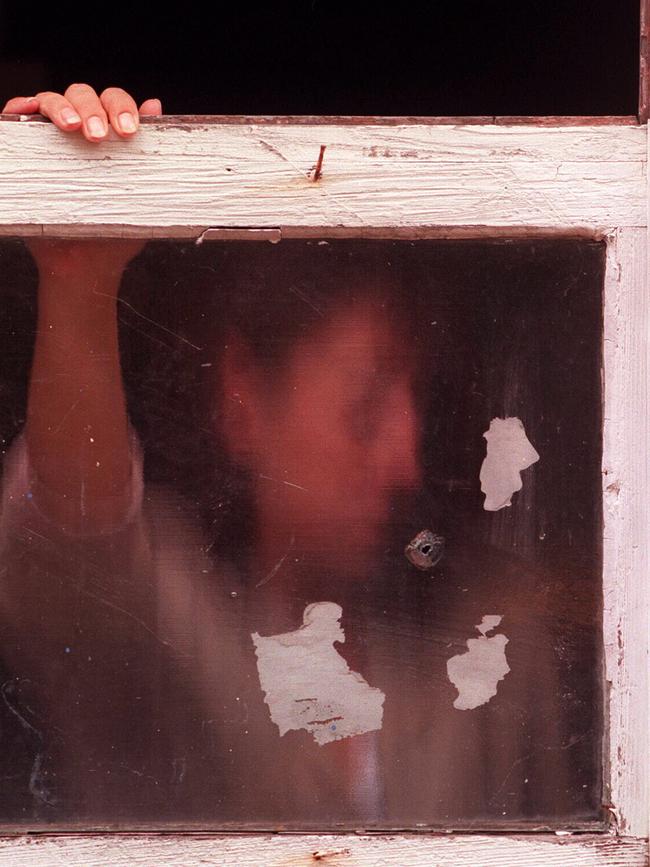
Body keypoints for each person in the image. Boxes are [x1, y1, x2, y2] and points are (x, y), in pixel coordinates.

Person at [0, 85, 595, 826]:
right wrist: (78, 280)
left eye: (424, 409)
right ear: (243, 399)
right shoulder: (174, 617)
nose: (405, 462)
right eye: (364, 408)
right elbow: (75, 528)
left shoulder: (493, 641)